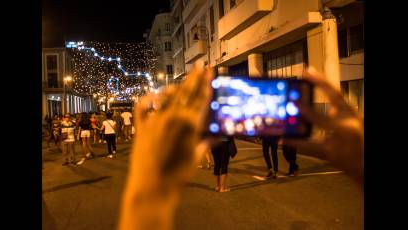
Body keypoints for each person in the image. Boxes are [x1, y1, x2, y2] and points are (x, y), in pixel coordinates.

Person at [117, 65, 363, 230]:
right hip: (222, 147)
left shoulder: (225, 124)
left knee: (225, 165)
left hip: (220, 148)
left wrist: (146, 196)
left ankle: (226, 183)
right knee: (225, 165)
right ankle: (227, 183)